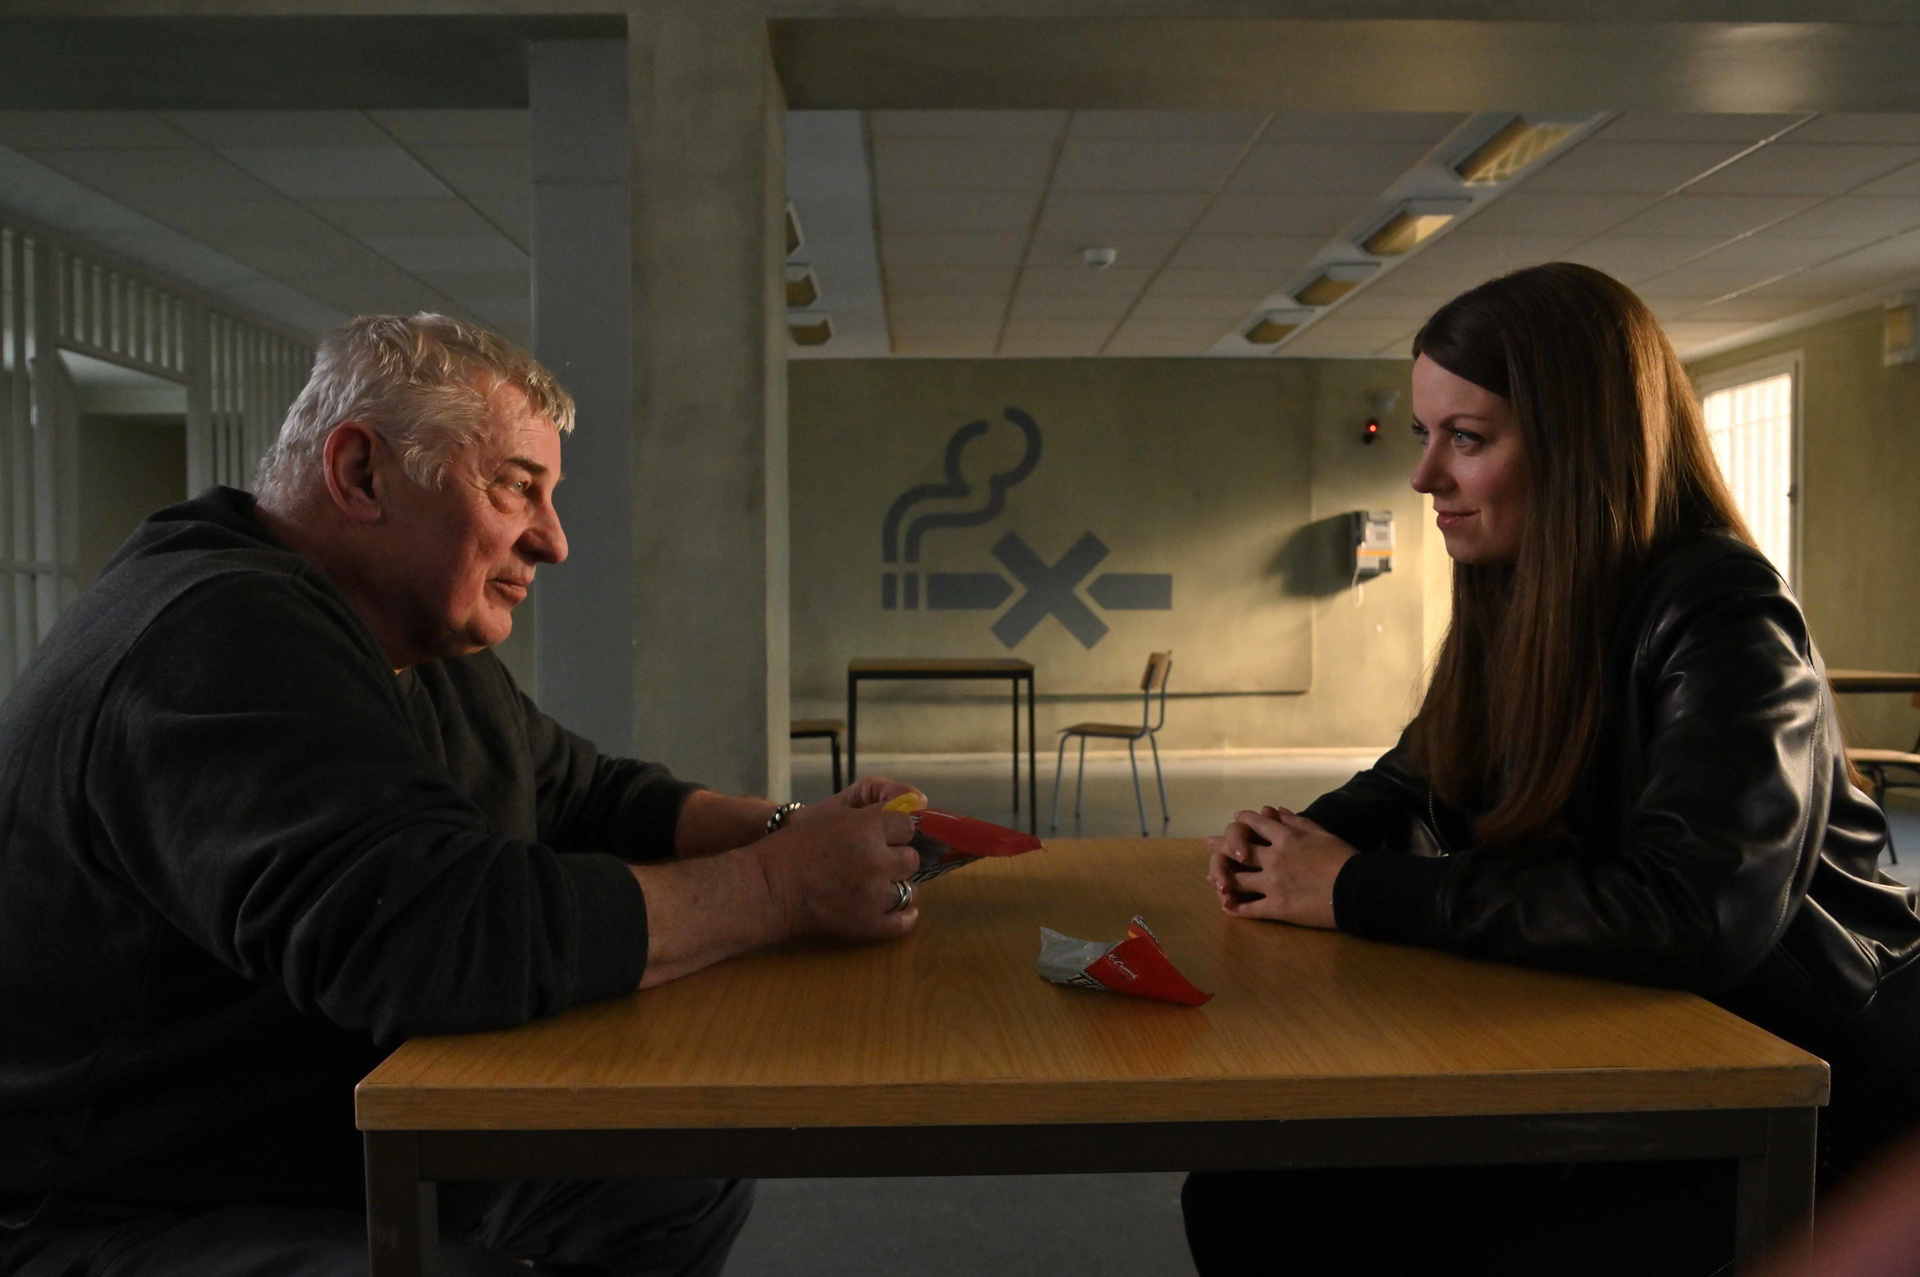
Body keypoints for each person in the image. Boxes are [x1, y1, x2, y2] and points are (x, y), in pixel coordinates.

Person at [0, 314, 925, 1276]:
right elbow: (437, 935)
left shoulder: (408, 638)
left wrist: (790, 827)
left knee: (671, 1168)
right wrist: (780, 886)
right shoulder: (216, 630)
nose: (554, 540)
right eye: (516, 487)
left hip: (304, 1133)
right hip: (120, 1205)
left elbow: (580, 793)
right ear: (360, 473)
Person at [1186, 263, 1920, 1276]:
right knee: (1249, 1201)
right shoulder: (1518, 590)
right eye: (1423, 433)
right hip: (1629, 1036)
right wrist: (1294, 842)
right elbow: (1413, 777)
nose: (1423, 476)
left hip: (1798, 1085)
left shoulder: (1723, 611)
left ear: (1581, 447)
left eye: (1466, 438)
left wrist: (1354, 886)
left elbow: (1692, 915)